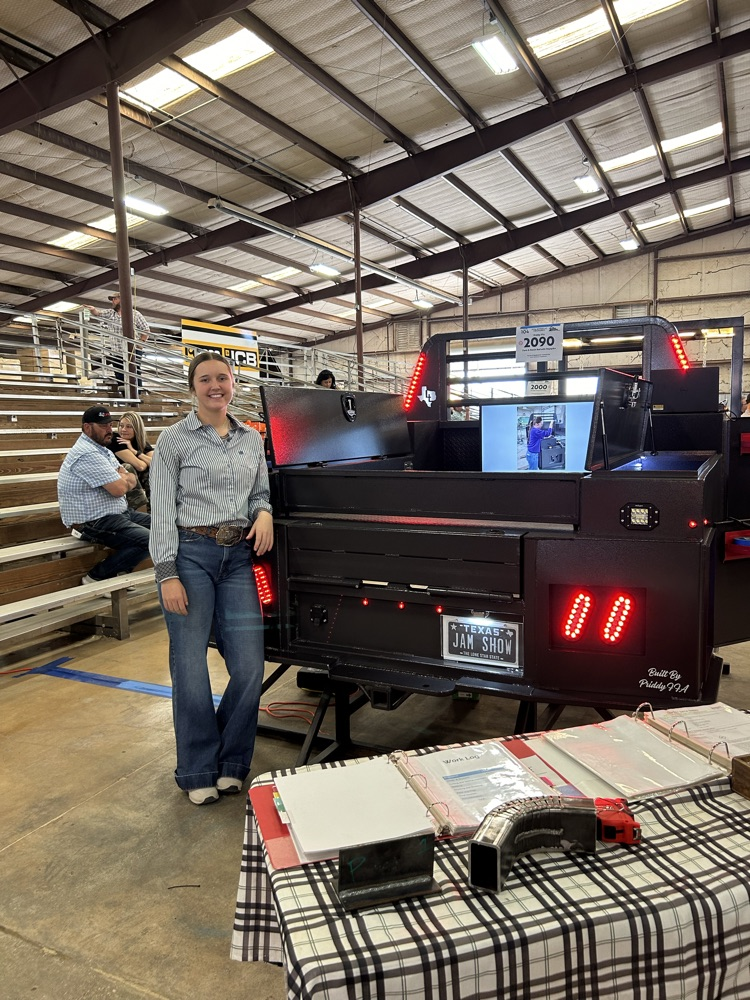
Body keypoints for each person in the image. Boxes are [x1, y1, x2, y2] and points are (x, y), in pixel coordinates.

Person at [149, 352, 273, 806]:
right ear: (193, 386)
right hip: (190, 557)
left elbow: (260, 491)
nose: (215, 385)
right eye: (205, 379)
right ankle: (198, 767)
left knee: (248, 666)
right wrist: (167, 573)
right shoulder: (173, 441)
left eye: (223, 377)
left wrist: (264, 512)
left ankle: (232, 761)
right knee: (190, 666)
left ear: (234, 384)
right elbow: (161, 509)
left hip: (238, 558)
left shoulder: (249, 439)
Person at [57, 405, 152, 583]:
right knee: (150, 540)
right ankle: (97, 576)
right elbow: (120, 489)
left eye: (109, 425)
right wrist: (124, 478)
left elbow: (128, 476)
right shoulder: (86, 453)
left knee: (164, 525)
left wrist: (124, 477)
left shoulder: (103, 449)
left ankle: (120, 571)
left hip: (116, 514)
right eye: (103, 426)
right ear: (87, 427)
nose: (109, 430)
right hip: (93, 521)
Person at [90, 292, 150, 396]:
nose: (112, 301)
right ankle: (125, 395)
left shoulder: (135, 313)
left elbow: (146, 329)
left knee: (134, 372)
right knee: (119, 374)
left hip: (132, 350)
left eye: (114, 299)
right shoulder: (110, 313)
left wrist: (141, 342)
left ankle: (137, 395)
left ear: (121, 300)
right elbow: (98, 313)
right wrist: (92, 310)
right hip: (117, 351)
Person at [109, 410, 154, 504]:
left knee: (153, 471)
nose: (123, 429)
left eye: (128, 427)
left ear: (137, 428)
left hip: (136, 480)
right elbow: (140, 466)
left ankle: (155, 510)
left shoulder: (142, 442)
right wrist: (144, 459)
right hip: (116, 479)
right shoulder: (116, 439)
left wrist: (135, 452)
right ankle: (138, 507)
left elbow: (156, 463)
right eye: (121, 426)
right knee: (128, 466)